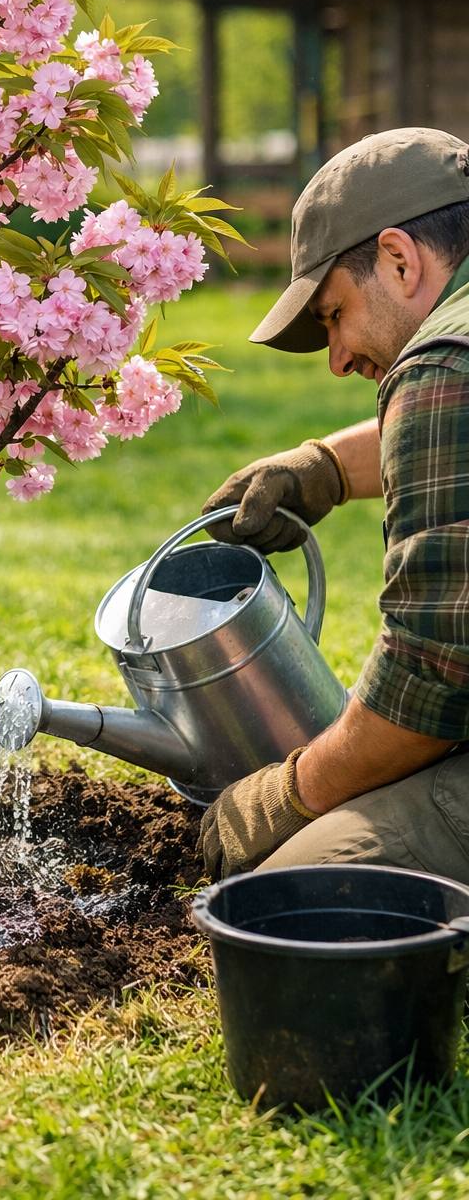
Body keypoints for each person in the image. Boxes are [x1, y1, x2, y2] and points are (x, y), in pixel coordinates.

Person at [198, 127, 469, 881]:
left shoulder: (442, 371)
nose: (339, 357)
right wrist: (324, 469)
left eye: (332, 314)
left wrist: (289, 796)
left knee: (302, 882)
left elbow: (433, 685)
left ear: (398, 259)